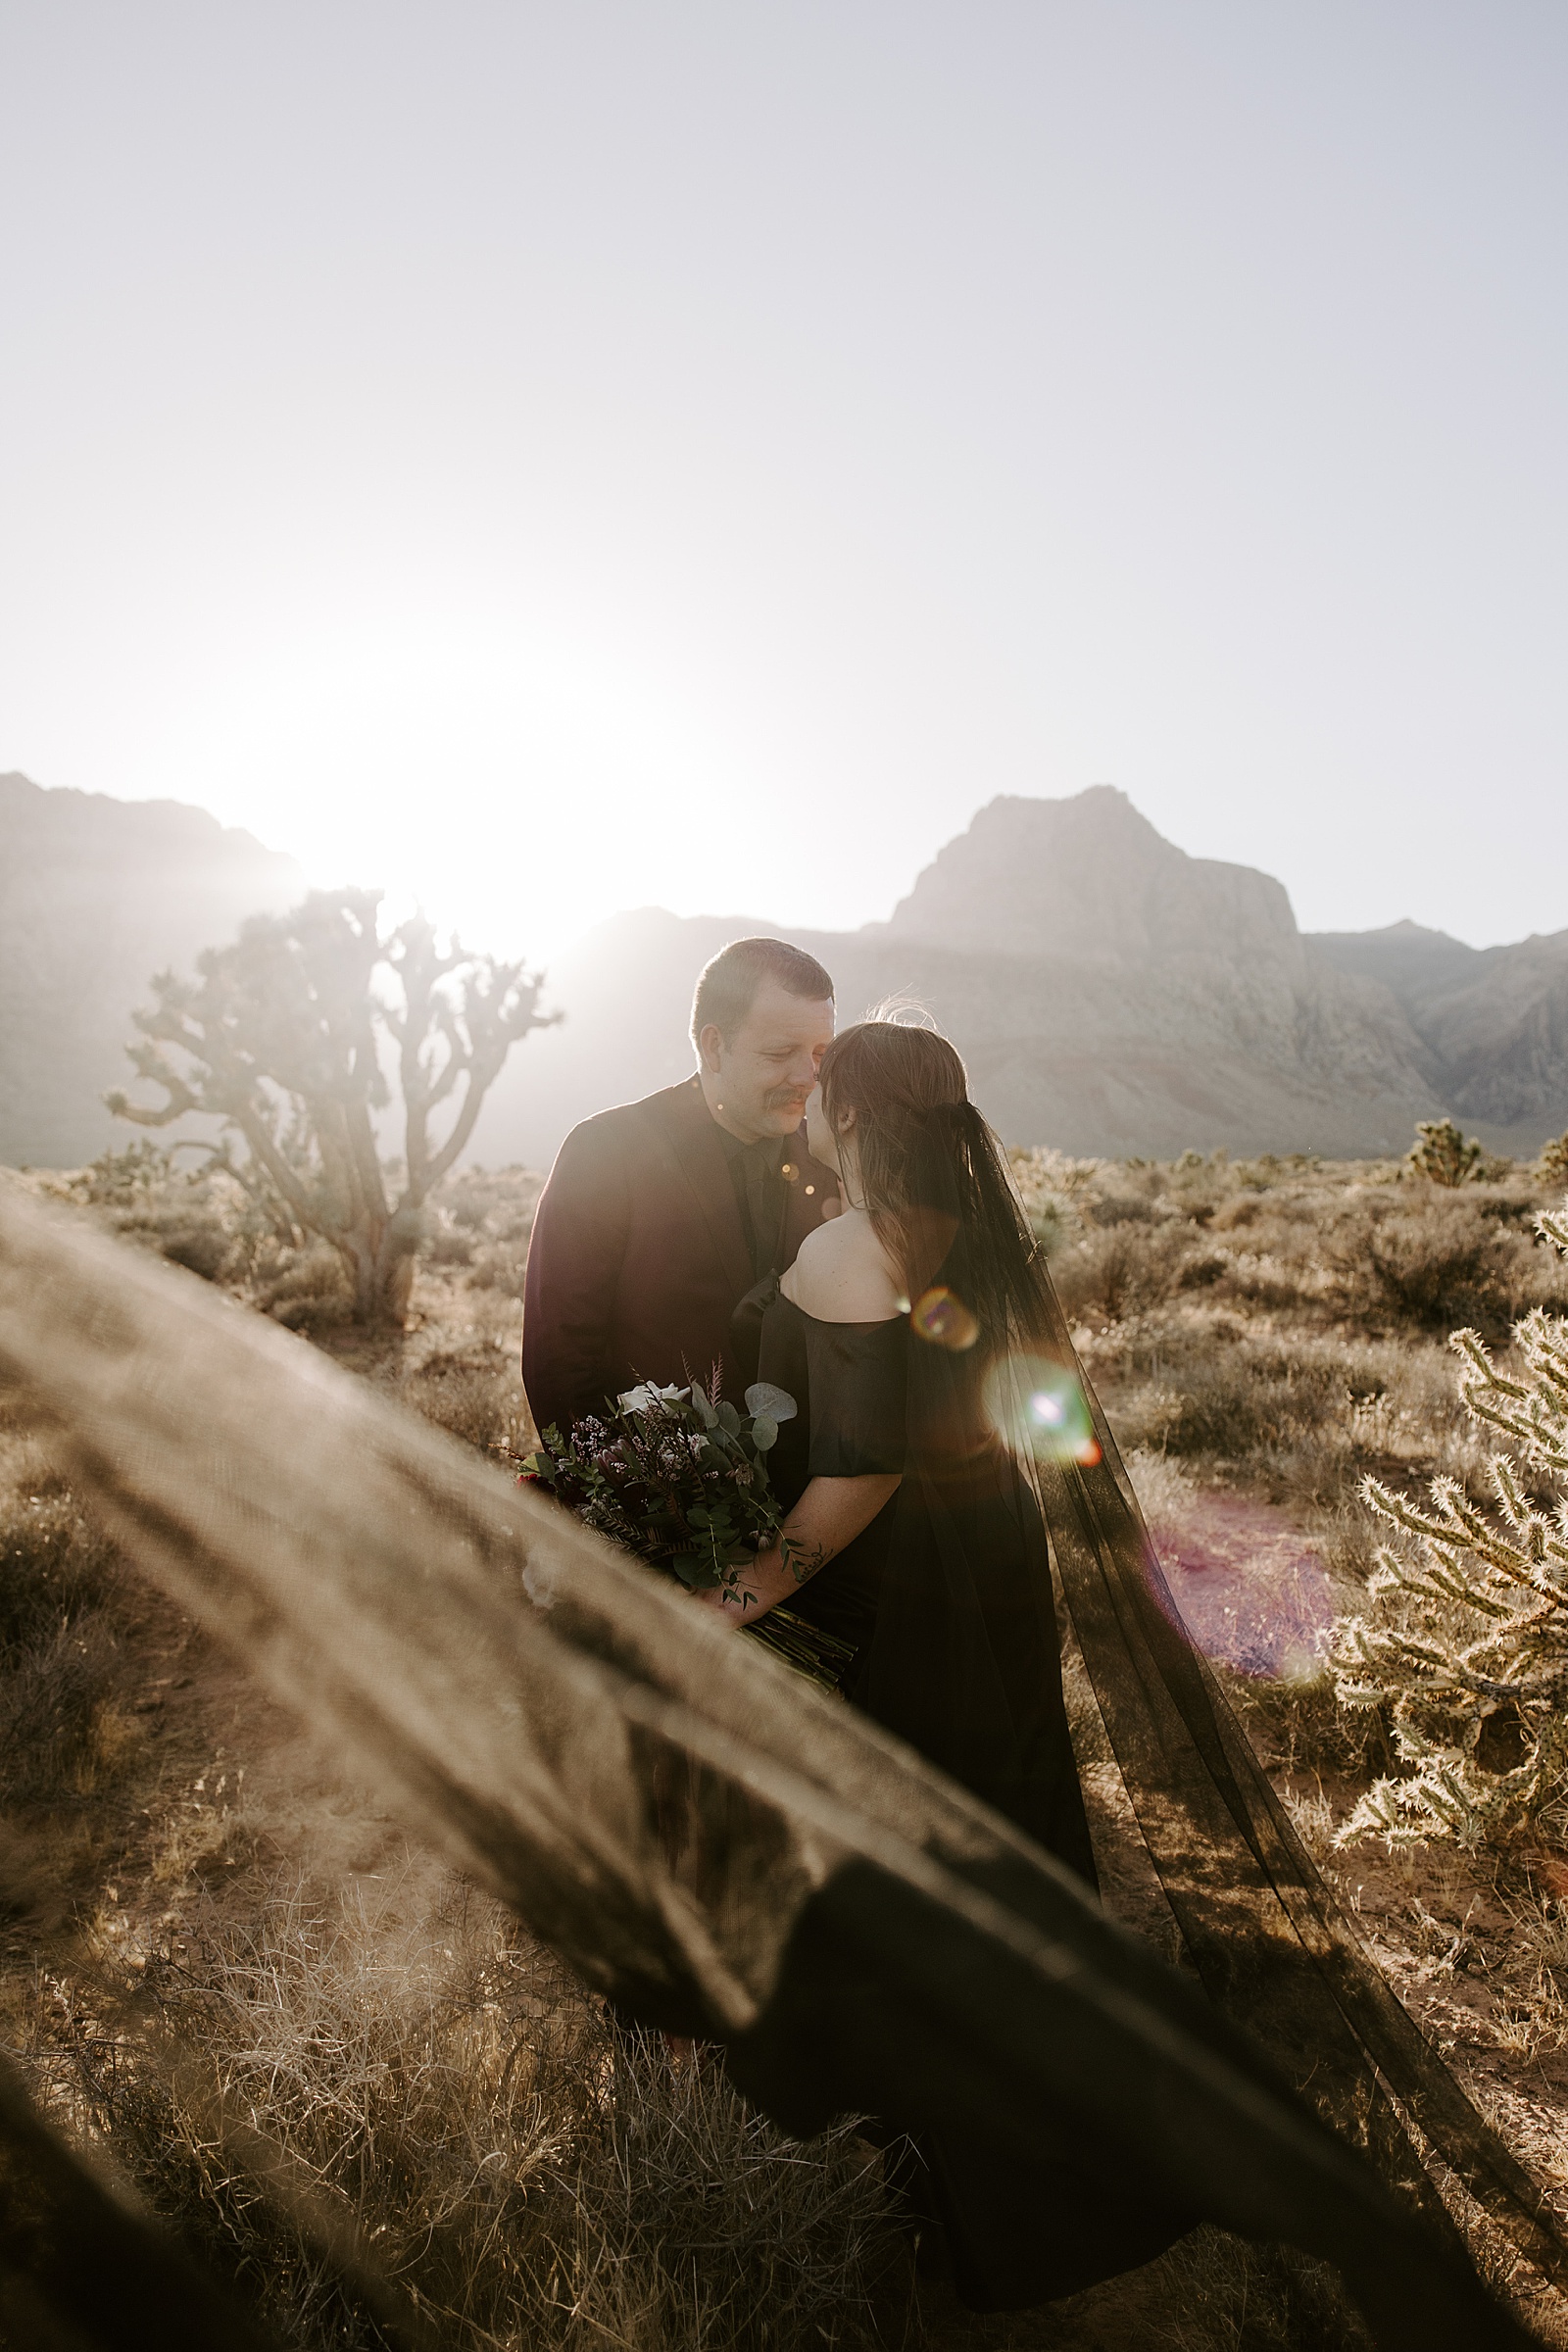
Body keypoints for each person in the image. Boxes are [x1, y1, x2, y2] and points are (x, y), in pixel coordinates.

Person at [695, 1014, 1185, 2303]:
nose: (800, 1100)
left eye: (820, 1087)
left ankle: (959, 2179)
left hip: (895, 1592)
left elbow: (857, 1476)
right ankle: (1034, 2136)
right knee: (992, 1841)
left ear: (851, 1121)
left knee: (899, 1856)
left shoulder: (853, 1248)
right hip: (990, 1570)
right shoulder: (957, 1235)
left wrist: (731, 1598)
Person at [522, 937, 842, 1440]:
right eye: (781, 1053)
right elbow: (560, 1359)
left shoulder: (833, 1161)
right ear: (714, 1046)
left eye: (822, 1052)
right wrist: (624, 1498)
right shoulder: (605, 1150)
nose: (809, 1076)